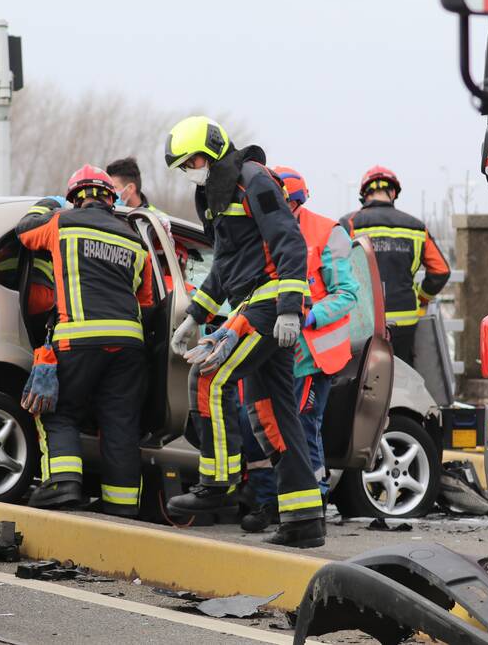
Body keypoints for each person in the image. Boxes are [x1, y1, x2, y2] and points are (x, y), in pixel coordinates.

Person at [163, 115, 325, 548]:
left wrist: (290, 309)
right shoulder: (212, 195)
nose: (190, 169)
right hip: (250, 304)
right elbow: (224, 266)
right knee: (270, 413)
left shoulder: (252, 179)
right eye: (184, 165)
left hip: (269, 304)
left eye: (193, 160)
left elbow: (289, 242)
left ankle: (217, 483)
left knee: (210, 376)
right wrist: (196, 315)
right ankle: (303, 519)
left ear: (214, 149)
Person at [16, 165, 154, 517]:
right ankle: (122, 506)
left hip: (77, 339)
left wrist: (47, 203)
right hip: (128, 345)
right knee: (120, 423)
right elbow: (148, 302)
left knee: (59, 413)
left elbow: (24, 232)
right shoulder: (135, 240)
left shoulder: (62, 221)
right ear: (111, 199)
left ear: (75, 198)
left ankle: (63, 485)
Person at [240, 167, 360, 533]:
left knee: (303, 428)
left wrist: (307, 315)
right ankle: (269, 503)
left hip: (311, 356)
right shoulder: (256, 233)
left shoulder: (327, 232)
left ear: (294, 201)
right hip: (267, 350)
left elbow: (347, 294)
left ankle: (313, 503)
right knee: (260, 427)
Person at [343, 166, 450, 366]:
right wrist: (422, 297)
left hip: (363, 322)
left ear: (365, 194)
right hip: (405, 320)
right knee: (401, 377)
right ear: (393, 193)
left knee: (362, 380)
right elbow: (441, 271)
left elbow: (332, 267)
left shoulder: (350, 223)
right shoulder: (416, 227)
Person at [106, 157, 172, 234]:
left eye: (114, 187)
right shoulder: (110, 214)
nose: (110, 192)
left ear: (130, 188)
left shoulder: (157, 220)